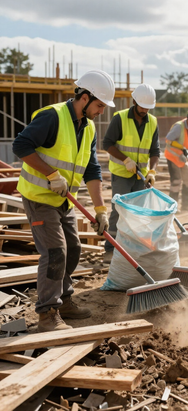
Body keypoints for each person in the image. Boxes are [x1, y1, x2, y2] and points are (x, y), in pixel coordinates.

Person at [12, 69, 115, 332]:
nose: (102, 111)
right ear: (84, 97)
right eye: (100, 105)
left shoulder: (88, 126)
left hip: (64, 200)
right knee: (55, 252)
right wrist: (52, 174)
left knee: (74, 248)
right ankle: (47, 314)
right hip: (39, 197)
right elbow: (21, 146)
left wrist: (100, 211)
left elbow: (92, 169)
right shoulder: (53, 116)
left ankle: (64, 300)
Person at [102, 83, 160, 263]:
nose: (144, 110)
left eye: (148, 107)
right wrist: (125, 160)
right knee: (118, 210)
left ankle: (131, 249)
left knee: (138, 212)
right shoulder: (120, 118)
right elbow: (107, 144)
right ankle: (110, 249)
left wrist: (152, 170)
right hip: (121, 172)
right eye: (142, 106)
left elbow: (155, 150)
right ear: (134, 101)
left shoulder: (153, 122)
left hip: (140, 175)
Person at [164, 106, 188, 212]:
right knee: (176, 182)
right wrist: (182, 148)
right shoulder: (179, 127)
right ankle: (173, 207)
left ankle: (186, 205)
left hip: (183, 159)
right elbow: (168, 140)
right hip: (173, 157)